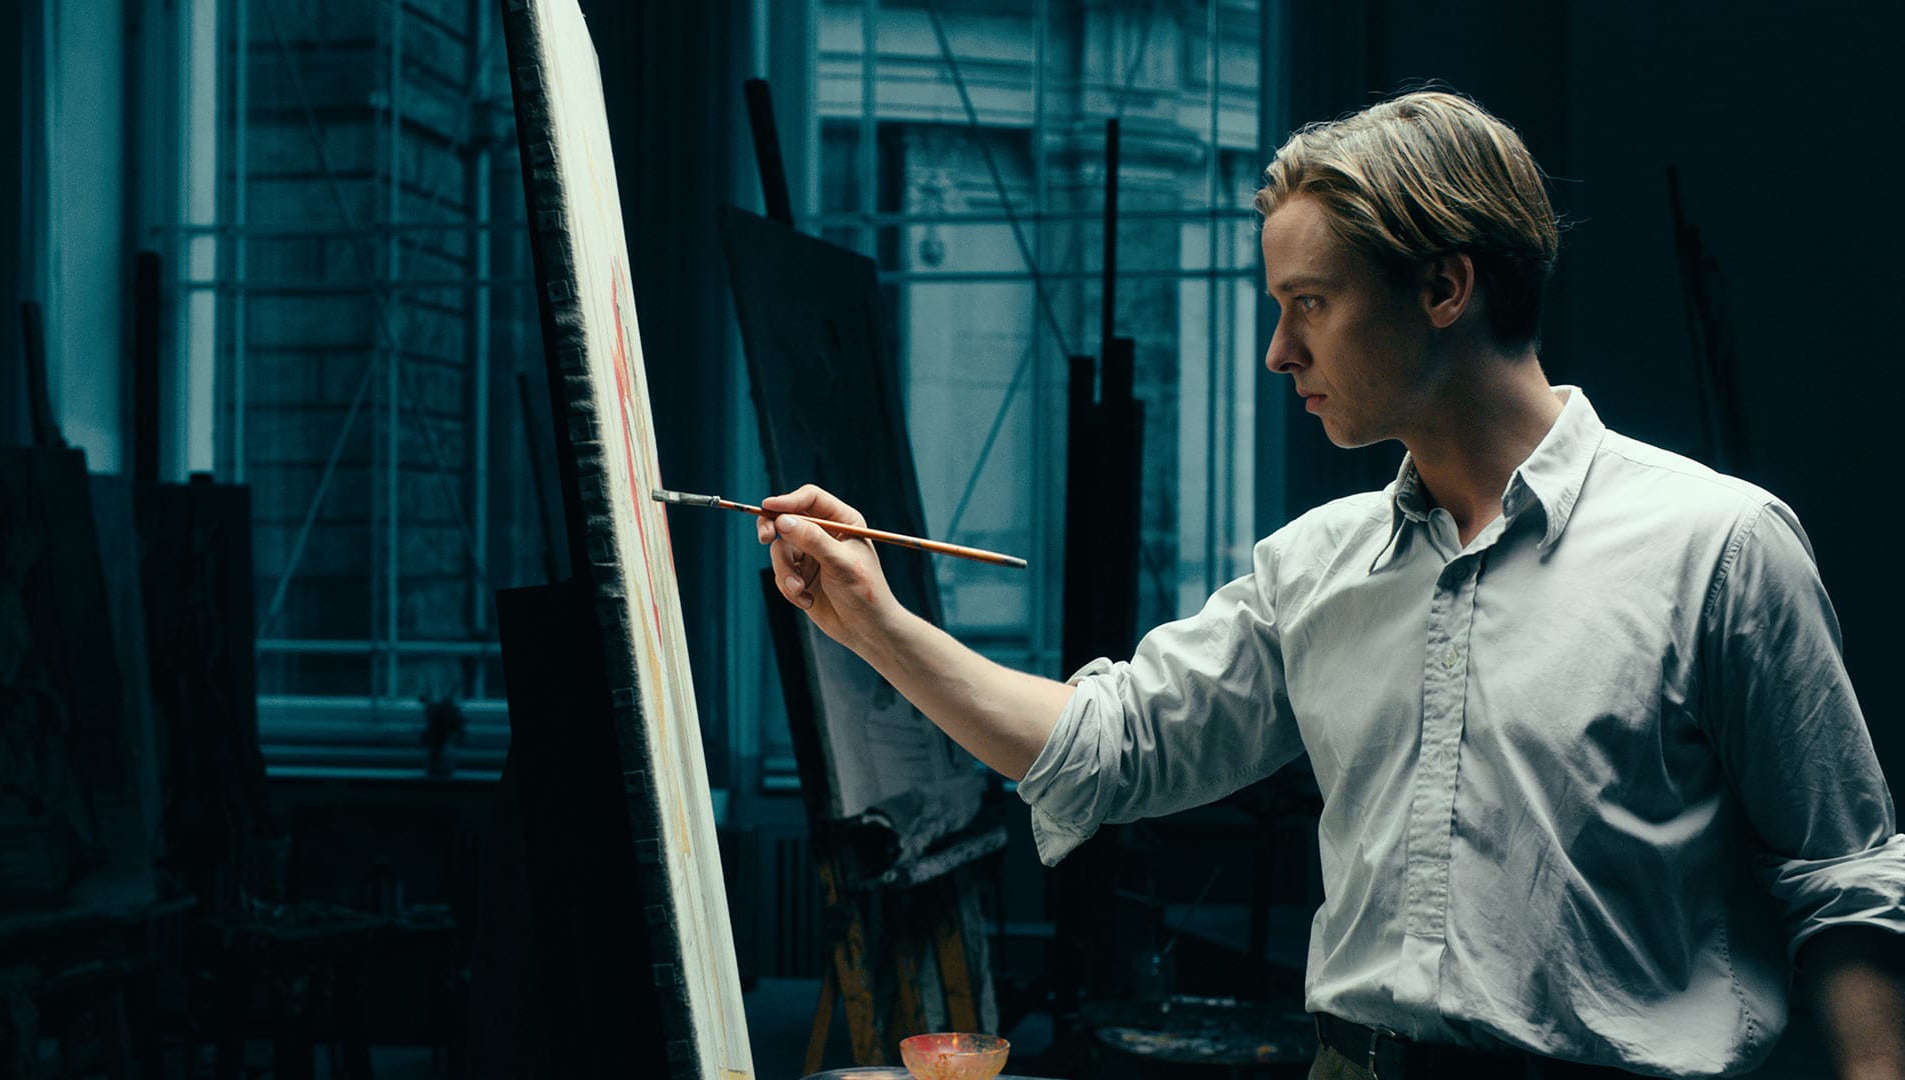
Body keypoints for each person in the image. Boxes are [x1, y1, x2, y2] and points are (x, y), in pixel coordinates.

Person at [754, 89, 1905, 1080]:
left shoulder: (1723, 545)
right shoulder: (1314, 568)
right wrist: (874, 621)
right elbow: (1106, 746)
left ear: (1445, 287)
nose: (1278, 352)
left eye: (1311, 302)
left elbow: (1844, 880)